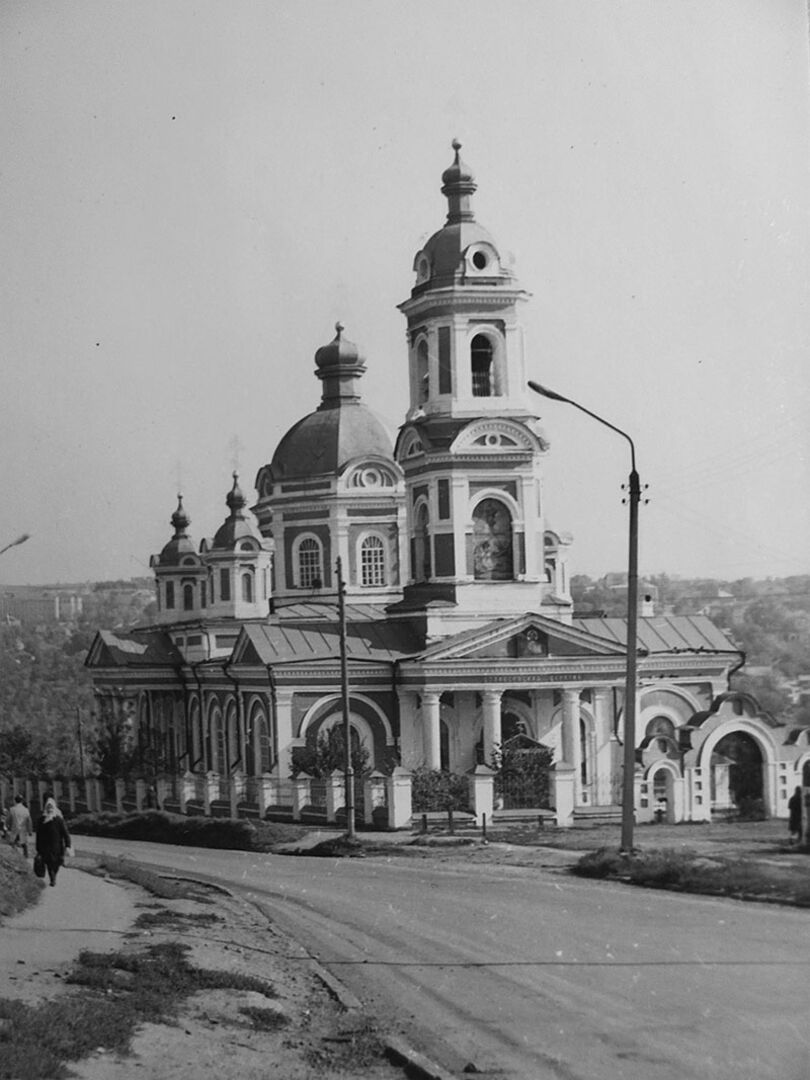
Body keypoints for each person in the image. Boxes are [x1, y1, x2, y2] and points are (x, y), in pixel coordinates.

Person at [35, 798, 71, 887]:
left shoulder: (58, 820)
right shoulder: (41, 820)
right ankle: (52, 879)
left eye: (51, 807)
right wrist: (38, 848)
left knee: (57, 863)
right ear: (45, 808)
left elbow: (65, 833)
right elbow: (38, 834)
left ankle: (54, 874)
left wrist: (68, 844)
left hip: (57, 846)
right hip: (45, 847)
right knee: (49, 863)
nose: (49, 809)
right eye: (48, 807)